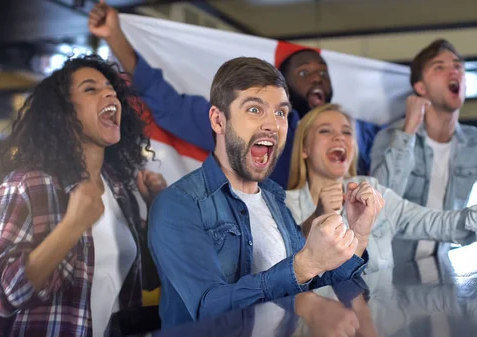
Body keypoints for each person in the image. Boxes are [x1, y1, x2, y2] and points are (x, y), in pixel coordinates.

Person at [147, 57, 384, 328]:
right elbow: (207, 307)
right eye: (254, 110)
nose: (272, 125)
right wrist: (302, 266)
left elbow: (312, 283)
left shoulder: (273, 199)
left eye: (280, 113)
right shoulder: (179, 204)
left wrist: (358, 234)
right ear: (218, 120)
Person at [87, 1, 381, 187]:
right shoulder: (244, 127)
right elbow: (170, 106)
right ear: (284, 90)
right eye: (303, 73)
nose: (317, 77)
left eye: (322, 72)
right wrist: (115, 36)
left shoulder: (358, 132)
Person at [0, 55, 165, 336]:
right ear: (64, 113)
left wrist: (157, 211)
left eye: (111, 88)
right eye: (90, 89)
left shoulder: (119, 190)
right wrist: (71, 226)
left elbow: (149, 280)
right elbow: (1, 296)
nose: (109, 93)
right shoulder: (28, 185)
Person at [285, 103, 477, 272]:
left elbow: (438, 222)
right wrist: (318, 215)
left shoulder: (372, 191)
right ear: (304, 148)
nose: (339, 138)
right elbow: (283, 269)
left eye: (347, 132)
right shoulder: (282, 203)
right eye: (325, 131)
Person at [369, 39, 477, 263]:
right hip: (389, 271)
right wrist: (408, 131)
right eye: (439, 67)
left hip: (441, 269)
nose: (453, 71)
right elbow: (376, 207)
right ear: (421, 87)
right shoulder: (393, 137)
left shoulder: (475, 144)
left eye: (458, 66)